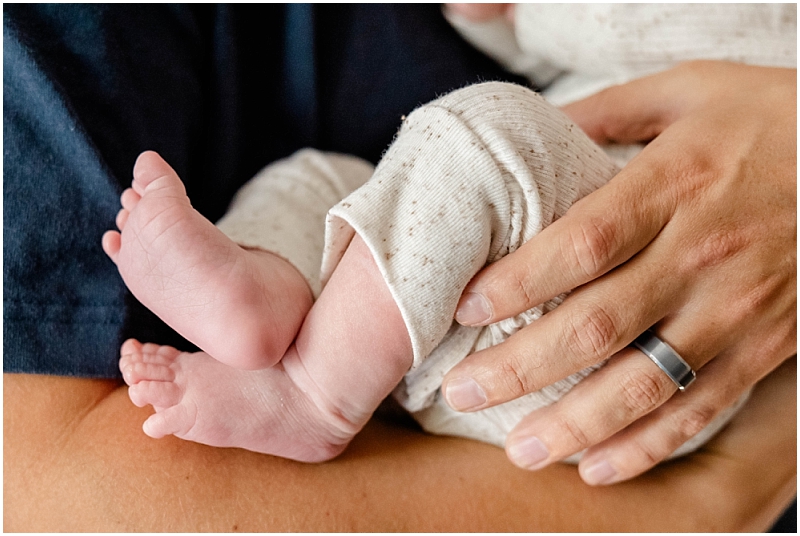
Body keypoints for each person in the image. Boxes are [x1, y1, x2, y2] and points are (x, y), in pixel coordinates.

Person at [4, 4, 796, 531]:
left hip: (651, 320)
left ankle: (314, 395)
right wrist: (709, 502)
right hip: (516, 325)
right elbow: (52, 501)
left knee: (481, 142)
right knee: (330, 187)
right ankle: (266, 296)